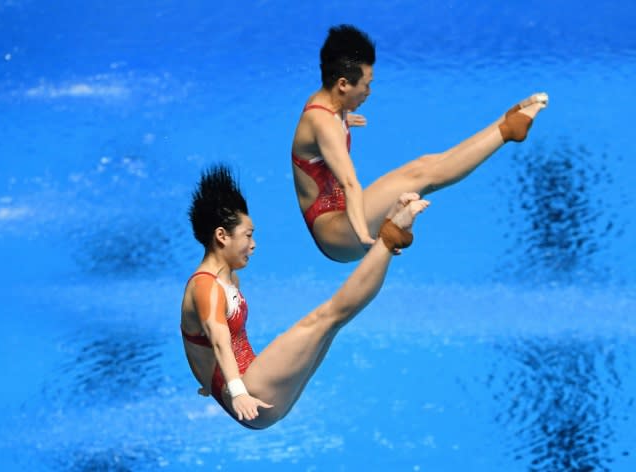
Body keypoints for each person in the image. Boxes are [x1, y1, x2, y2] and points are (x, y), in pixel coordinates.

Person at [180, 165, 429, 429]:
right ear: (221, 236)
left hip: (258, 393)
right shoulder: (205, 287)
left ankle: (387, 234)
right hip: (251, 395)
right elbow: (219, 342)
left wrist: (208, 380)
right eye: (248, 235)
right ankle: (391, 235)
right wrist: (237, 392)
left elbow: (198, 341)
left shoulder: (227, 278)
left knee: (332, 325)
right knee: (328, 316)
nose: (253, 245)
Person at [291, 24, 548, 262]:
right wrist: (364, 237)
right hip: (337, 235)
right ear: (343, 84)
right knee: (421, 175)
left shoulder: (330, 102)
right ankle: (506, 130)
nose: (369, 92)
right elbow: (349, 182)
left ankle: (505, 122)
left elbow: (323, 132)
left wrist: (345, 119)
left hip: (341, 215)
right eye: (366, 86)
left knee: (424, 162)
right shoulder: (323, 123)